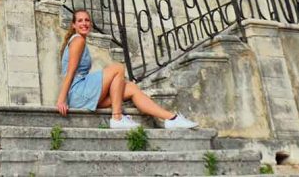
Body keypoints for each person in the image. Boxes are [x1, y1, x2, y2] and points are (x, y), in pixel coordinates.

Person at [56, 9, 198, 130]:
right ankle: (117, 118)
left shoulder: (79, 40)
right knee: (118, 68)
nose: (84, 23)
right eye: (80, 21)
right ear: (73, 25)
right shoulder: (78, 40)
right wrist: (61, 100)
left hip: (81, 95)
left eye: (87, 20)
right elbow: (70, 73)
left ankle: (171, 119)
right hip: (78, 93)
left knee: (131, 88)